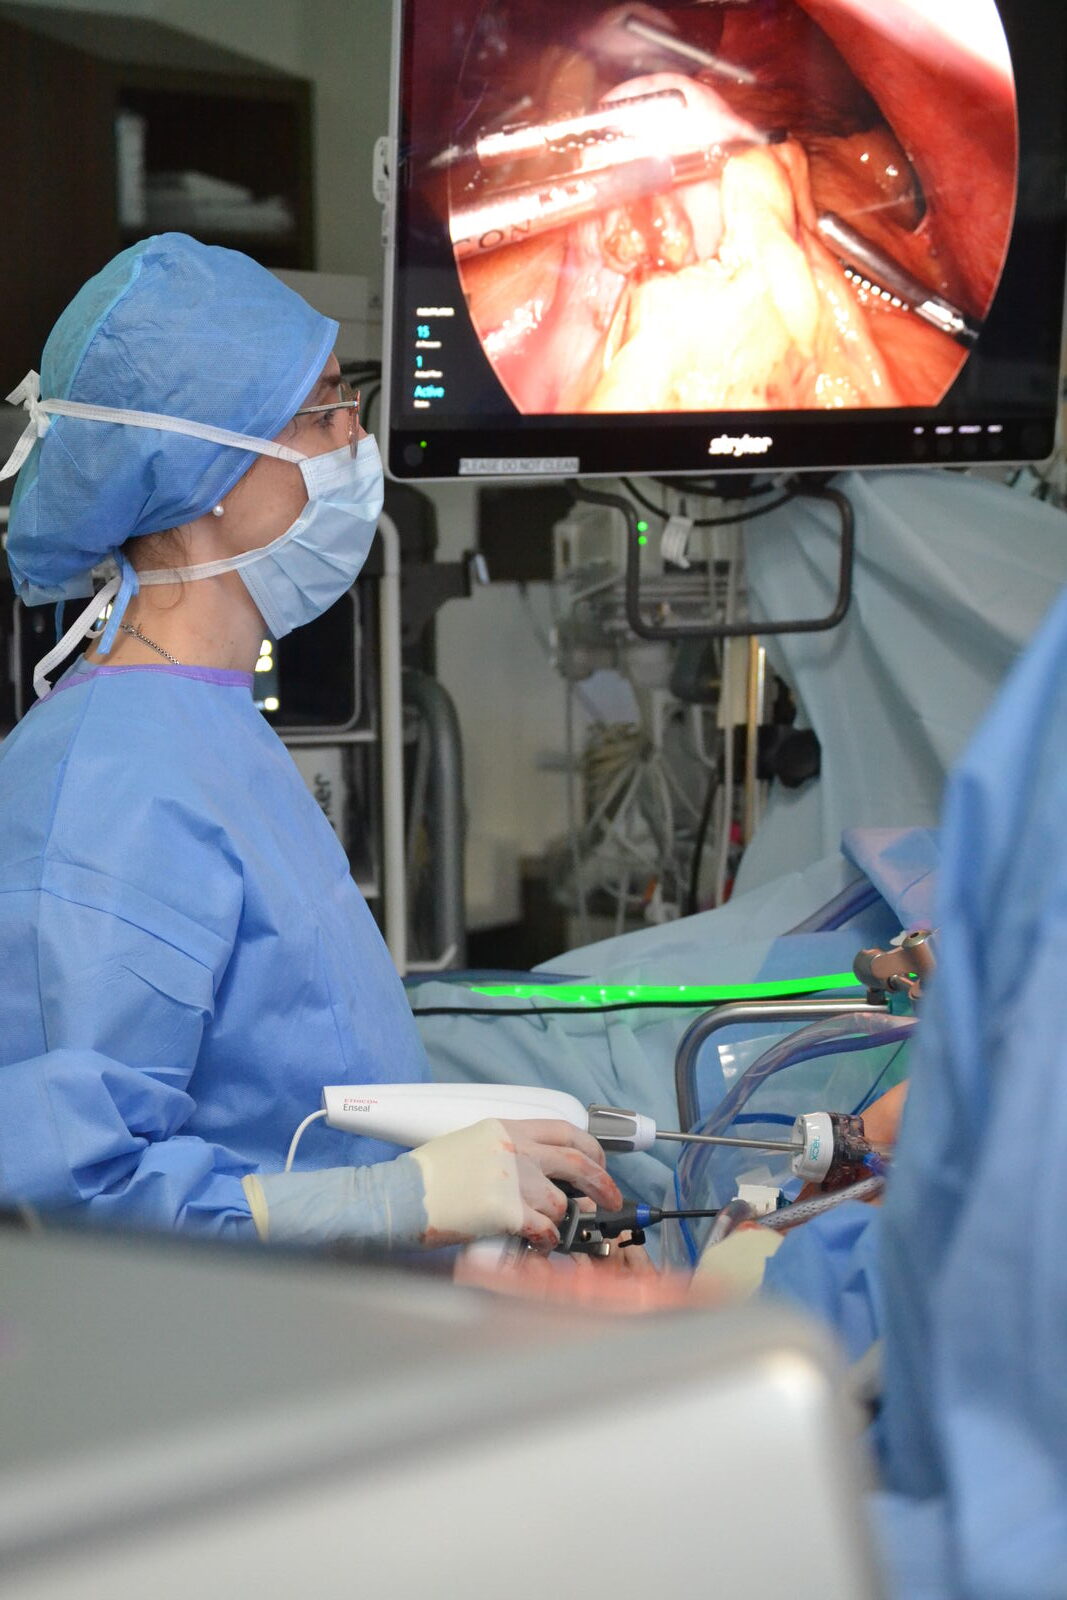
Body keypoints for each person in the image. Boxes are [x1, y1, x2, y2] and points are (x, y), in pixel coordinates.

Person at [0, 233, 620, 1249]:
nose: (356, 442)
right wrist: (399, 1200)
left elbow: (278, 1079)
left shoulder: (205, 724)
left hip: (334, 1317)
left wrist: (448, 1150)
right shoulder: (106, 786)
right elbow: (78, 1201)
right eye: (324, 411)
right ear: (205, 473)